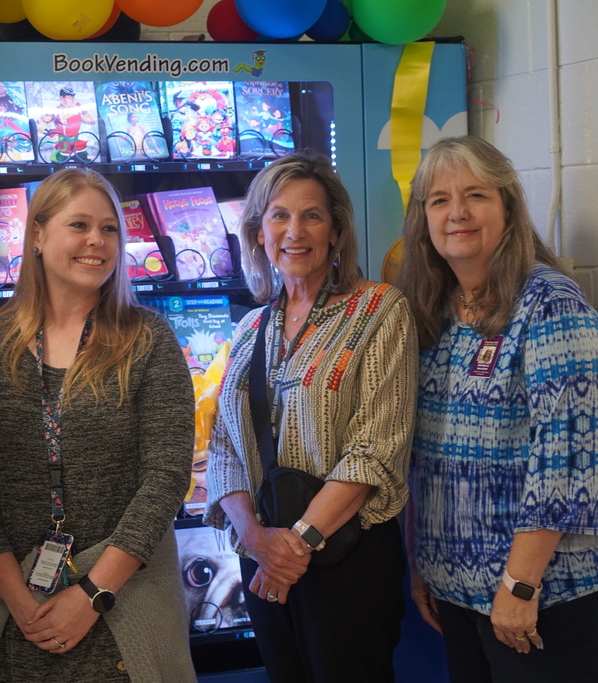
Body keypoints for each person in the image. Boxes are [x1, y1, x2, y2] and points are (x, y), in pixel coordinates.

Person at [396, 135, 598, 682]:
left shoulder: (551, 305)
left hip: (551, 595)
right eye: (439, 200)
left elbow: (569, 461)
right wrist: (427, 564)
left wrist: (518, 585)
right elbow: (424, 456)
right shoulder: (434, 313)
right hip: (461, 593)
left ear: (508, 206)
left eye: (475, 195)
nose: (457, 213)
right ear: (422, 219)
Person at [0, 168, 196, 682]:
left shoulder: (148, 340)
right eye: (79, 225)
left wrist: (91, 594)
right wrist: (17, 598)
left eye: (109, 229)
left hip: (126, 602)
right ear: (37, 235)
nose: (96, 241)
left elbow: (166, 477)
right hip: (20, 609)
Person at [204, 152, 417, 682]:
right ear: (258, 232)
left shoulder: (380, 309)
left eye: (312, 216)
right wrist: (254, 539)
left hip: (347, 557)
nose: (294, 231)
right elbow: (225, 446)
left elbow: (375, 450)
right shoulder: (252, 326)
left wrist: (296, 544)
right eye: (279, 215)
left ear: (337, 231)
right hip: (264, 560)